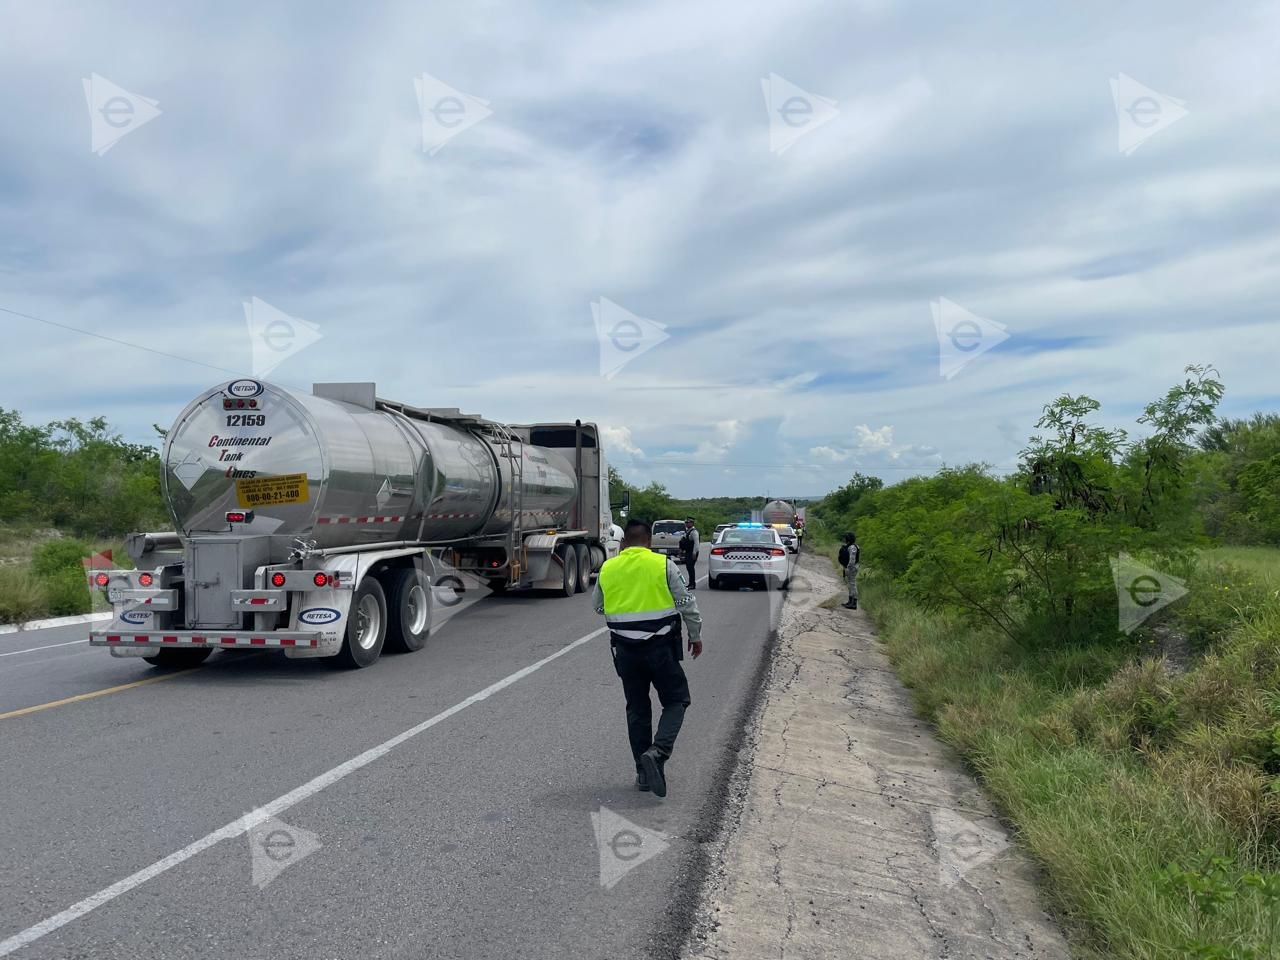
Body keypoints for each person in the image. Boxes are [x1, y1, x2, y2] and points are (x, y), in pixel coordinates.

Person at [593, 518, 703, 798]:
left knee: (638, 709)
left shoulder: (608, 566)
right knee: (677, 700)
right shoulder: (662, 565)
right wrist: (695, 635)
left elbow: (598, 606)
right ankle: (658, 752)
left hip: (625, 652)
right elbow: (685, 603)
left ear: (625, 542)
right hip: (660, 649)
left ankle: (643, 774)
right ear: (649, 542)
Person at [837, 532, 860, 609]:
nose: (845, 539)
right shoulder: (852, 546)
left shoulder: (852, 547)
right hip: (852, 567)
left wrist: (848, 568)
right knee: (850, 585)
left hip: (852, 568)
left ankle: (854, 603)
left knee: (852, 585)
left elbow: (852, 560)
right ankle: (850, 601)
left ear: (848, 539)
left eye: (846, 538)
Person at [679, 517, 700, 589]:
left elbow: (696, 543)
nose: (686, 524)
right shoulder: (688, 531)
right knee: (688, 567)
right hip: (688, 552)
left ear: (692, 523)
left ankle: (692, 584)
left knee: (690, 568)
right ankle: (691, 583)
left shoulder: (694, 532)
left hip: (692, 552)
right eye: (686, 523)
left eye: (688, 523)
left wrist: (694, 553)